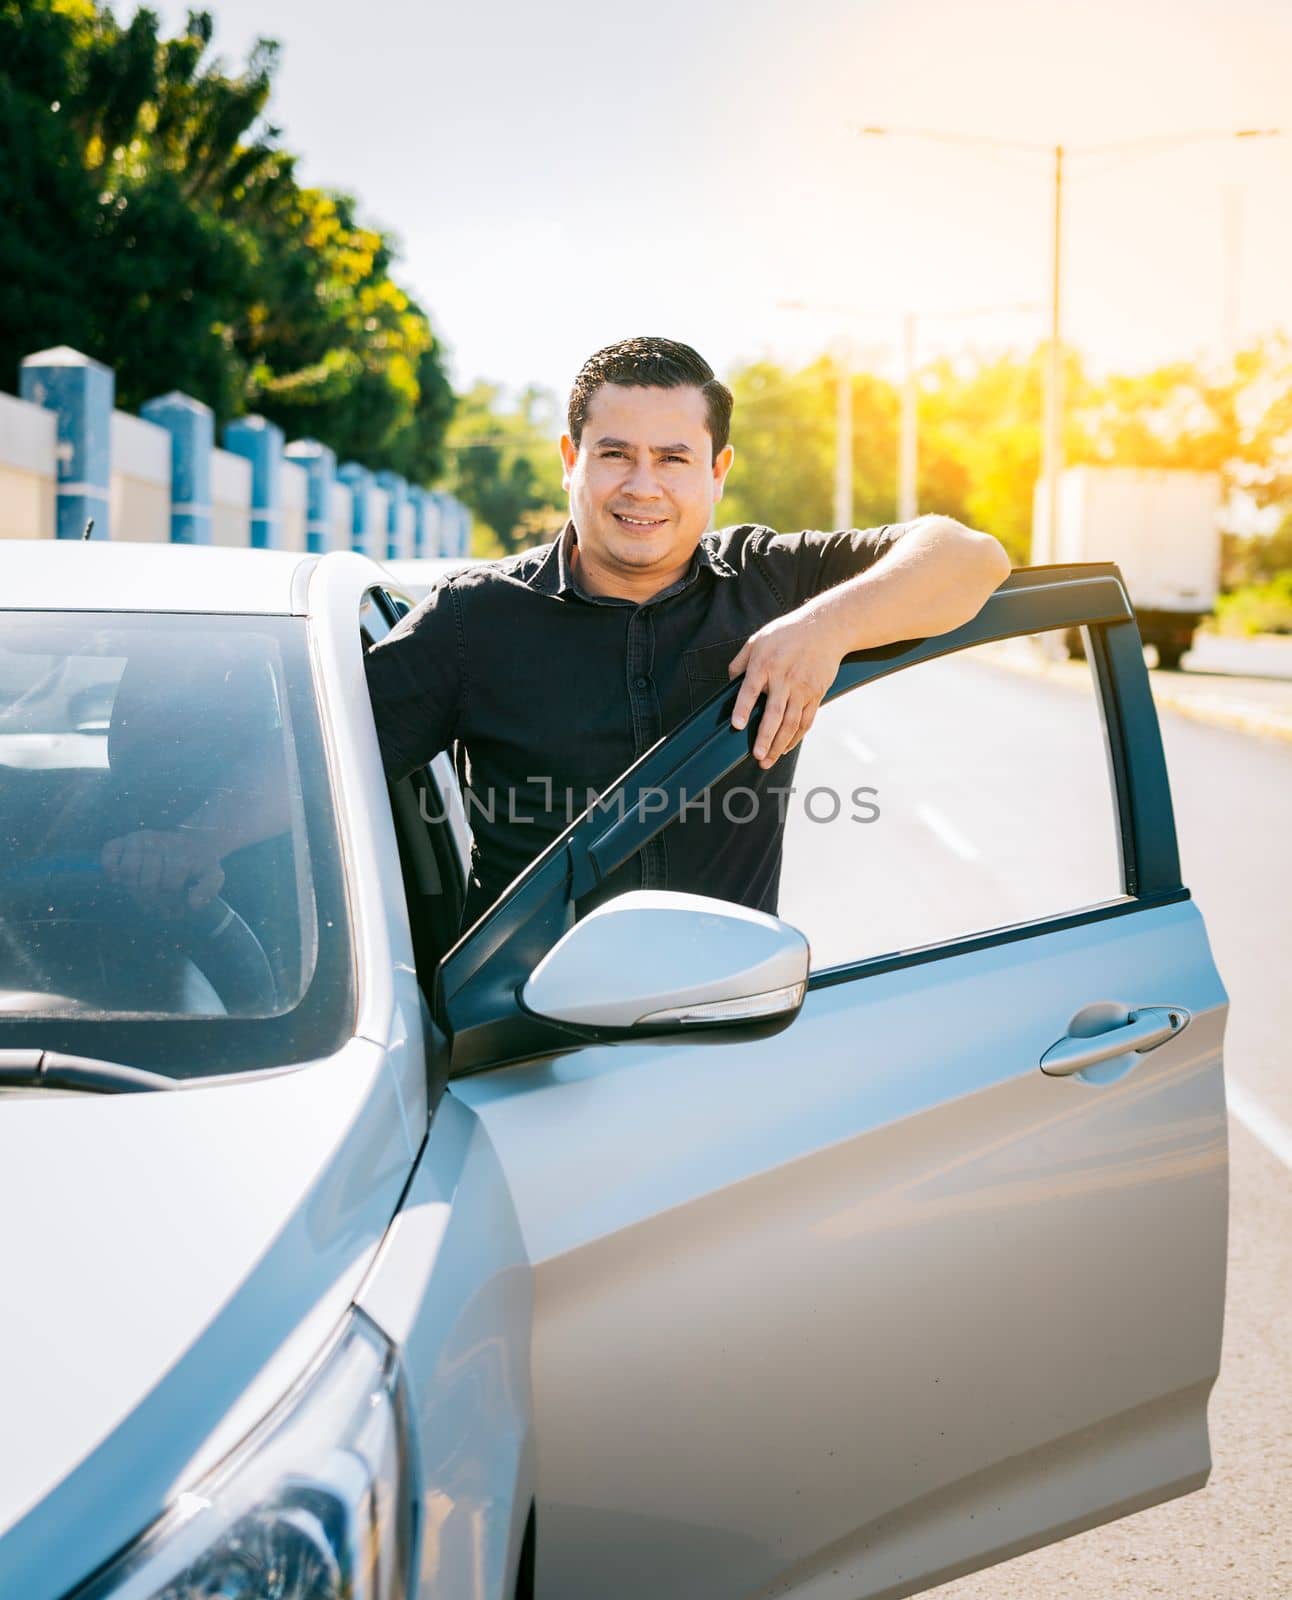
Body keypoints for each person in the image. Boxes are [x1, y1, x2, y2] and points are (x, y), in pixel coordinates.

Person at [364, 336, 1010, 925]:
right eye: (615, 454)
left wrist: (823, 628)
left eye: (674, 458)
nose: (643, 487)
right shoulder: (472, 620)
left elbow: (971, 557)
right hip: (519, 1036)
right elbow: (317, 784)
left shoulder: (771, 581)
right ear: (571, 460)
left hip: (720, 1030)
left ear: (717, 471)